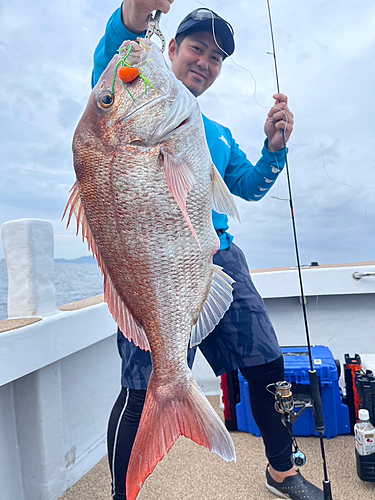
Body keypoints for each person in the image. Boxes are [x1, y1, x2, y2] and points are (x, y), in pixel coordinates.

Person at [92, 2, 324, 499]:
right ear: (170, 48)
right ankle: (121, 492)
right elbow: (114, 77)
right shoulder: (136, 102)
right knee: (141, 386)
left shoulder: (211, 132)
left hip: (219, 257)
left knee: (267, 362)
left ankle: (281, 471)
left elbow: (248, 185)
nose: (205, 62)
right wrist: (134, 16)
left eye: (216, 57)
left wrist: (274, 149)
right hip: (154, 261)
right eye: (197, 48)